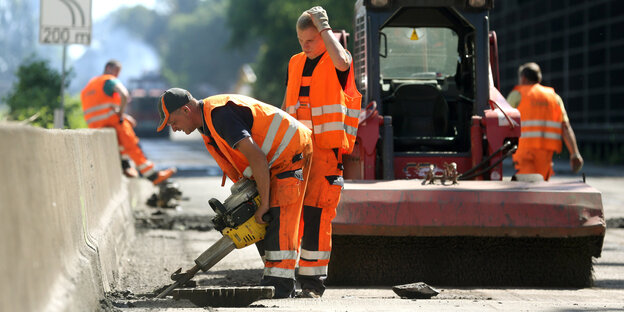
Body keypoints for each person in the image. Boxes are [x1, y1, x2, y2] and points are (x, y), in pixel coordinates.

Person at [156, 88, 313, 298]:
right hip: (273, 162)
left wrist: (264, 203)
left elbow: (256, 157)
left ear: (185, 110)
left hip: (290, 156)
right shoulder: (207, 124)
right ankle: (275, 277)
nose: (174, 129)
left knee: (277, 216)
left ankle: (281, 286)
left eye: (173, 122)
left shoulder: (219, 116)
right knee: (257, 218)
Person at [282, 6, 362, 298]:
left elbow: (342, 61)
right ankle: (284, 279)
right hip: (295, 154)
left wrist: (325, 27)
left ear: (323, 37)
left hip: (326, 155)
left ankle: (313, 284)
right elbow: (286, 105)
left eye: (311, 40)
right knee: (289, 215)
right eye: (301, 40)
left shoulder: (338, 60)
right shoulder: (294, 63)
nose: (305, 45)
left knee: (317, 217)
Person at [81, 60, 176, 185]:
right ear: (108, 68)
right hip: (109, 120)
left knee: (121, 137)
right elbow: (124, 95)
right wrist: (121, 115)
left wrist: (124, 116)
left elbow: (103, 107)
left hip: (95, 125)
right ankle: (153, 175)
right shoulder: (108, 80)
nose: (117, 75)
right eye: (116, 71)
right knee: (132, 142)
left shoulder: (90, 84)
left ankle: (126, 166)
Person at [506, 62, 583, 181]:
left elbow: (502, 121)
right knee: (541, 190)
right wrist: (574, 153)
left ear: (523, 78)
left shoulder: (517, 95)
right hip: (546, 154)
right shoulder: (554, 97)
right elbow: (565, 127)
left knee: (526, 188)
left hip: (524, 151)